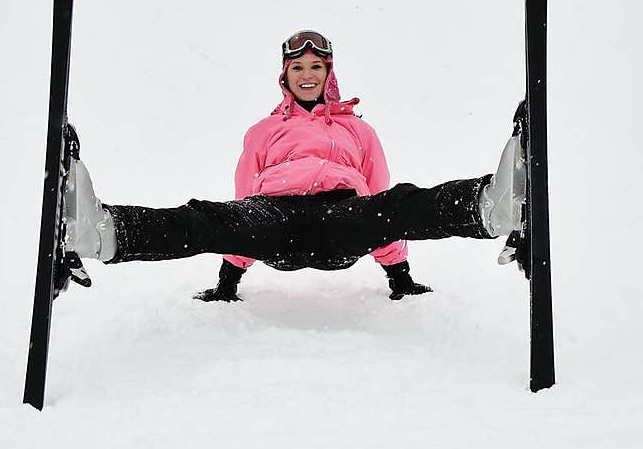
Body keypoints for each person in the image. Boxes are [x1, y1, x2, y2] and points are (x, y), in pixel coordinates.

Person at [63, 29, 526, 297]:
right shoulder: (263, 132)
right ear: (285, 75)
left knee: (400, 201)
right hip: (275, 219)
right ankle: (102, 232)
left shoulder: (359, 132)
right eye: (298, 68)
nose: (307, 75)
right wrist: (229, 280)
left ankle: (490, 206)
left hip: (341, 219)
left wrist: (399, 276)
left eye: (316, 67)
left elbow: (383, 203)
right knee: (209, 217)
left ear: (330, 74)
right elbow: (242, 203)